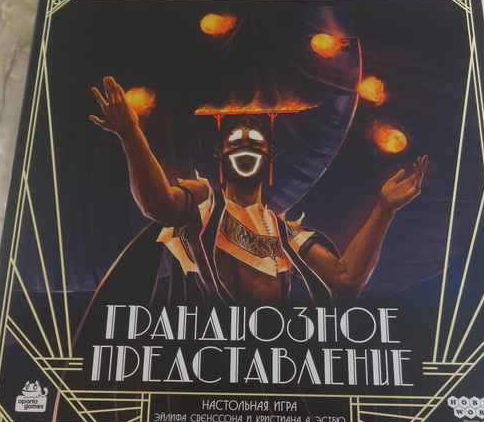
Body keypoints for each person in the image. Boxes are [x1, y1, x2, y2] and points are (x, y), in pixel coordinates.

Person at [90, 76, 427, 307]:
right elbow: (158, 205)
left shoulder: (286, 233)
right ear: (222, 156)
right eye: (236, 142)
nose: (246, 146)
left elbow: (348, 280)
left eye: (255, 142)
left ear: (269, 157)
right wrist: (131, 134)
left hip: (274, 354)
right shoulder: (204, 200)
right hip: (216, 348)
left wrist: (384, 209)